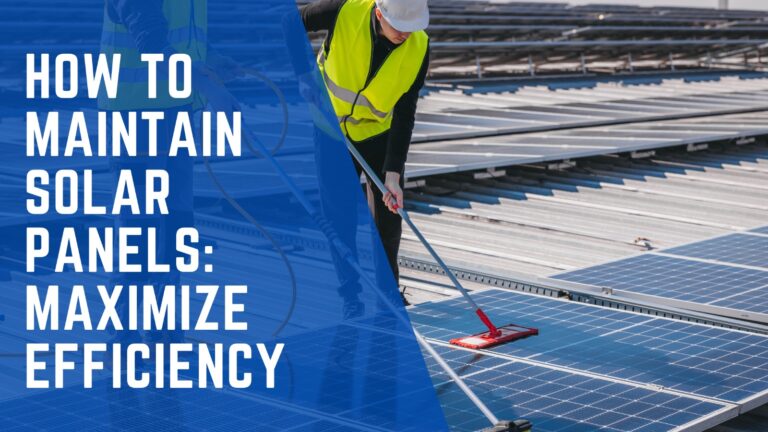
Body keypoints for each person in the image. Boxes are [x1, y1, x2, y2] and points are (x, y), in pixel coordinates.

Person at [293, 0, 430, 313]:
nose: (406, 34)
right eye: (400, 27)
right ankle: (350, 296)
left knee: (388, 214)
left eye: (412, 27)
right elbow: (290, 22)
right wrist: (302, 75)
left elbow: (405, 111)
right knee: (340, 215)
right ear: (379, 13)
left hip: (376, 134)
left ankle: (388, 294)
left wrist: (393, 172)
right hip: (329, 130)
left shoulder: (419, 45)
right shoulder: (344, 10)